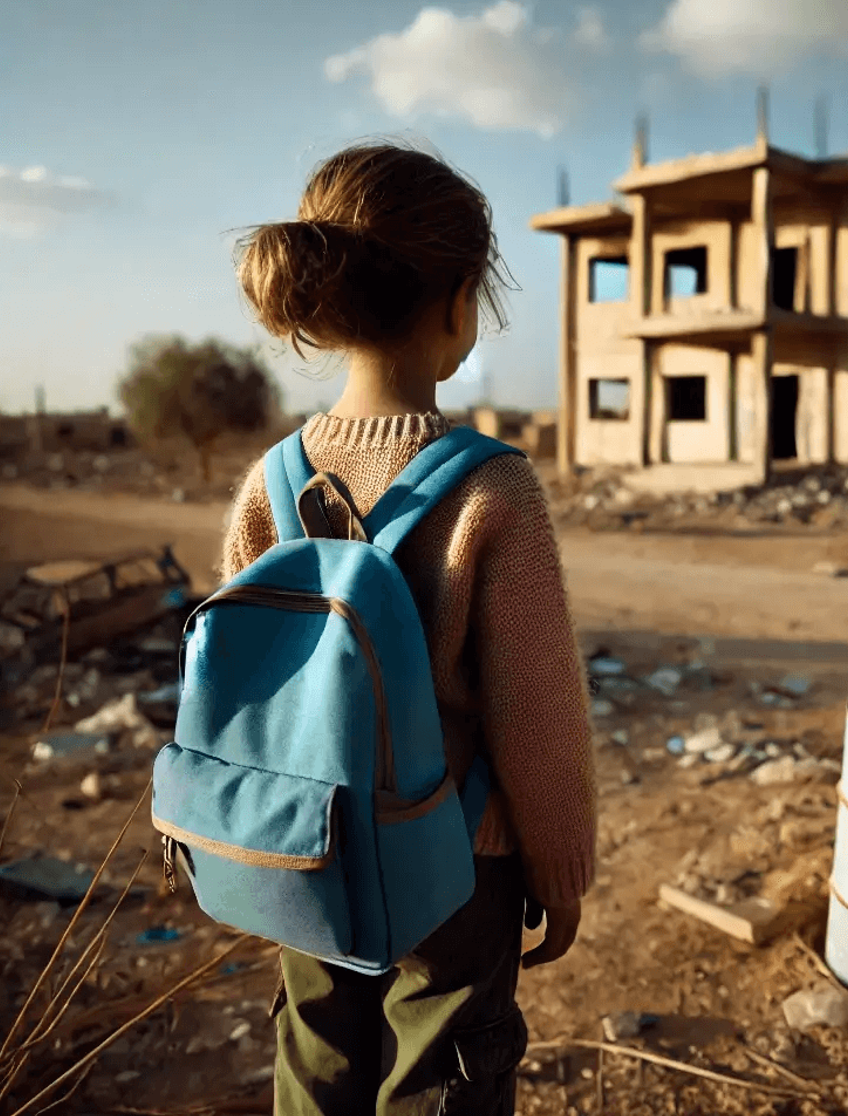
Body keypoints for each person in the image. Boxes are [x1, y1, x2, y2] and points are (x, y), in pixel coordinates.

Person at [220, 141, 597, 1114]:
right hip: (457, 867)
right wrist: (559, 864)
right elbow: (537, 713)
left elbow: (241, 694)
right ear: (460, 300)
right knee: (444, 1076)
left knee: (315, 1060)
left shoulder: (269, 483)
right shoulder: (491, 486)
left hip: (304, 850)